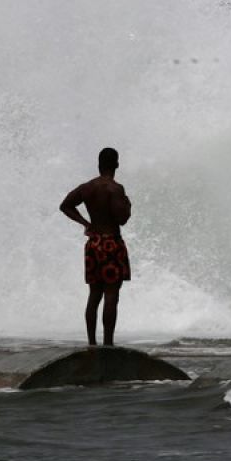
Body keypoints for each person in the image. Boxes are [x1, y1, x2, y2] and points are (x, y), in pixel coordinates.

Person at [59, 147, 132, 346]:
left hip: (94, 243)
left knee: (94, 295)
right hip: (111, 243)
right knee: (111, 295)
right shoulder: (115, 189)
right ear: (116, 164)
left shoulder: (87, 187)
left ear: (99, 165)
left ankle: (91, 342)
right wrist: (127, 204)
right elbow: (122, 218)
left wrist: (86, 223)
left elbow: (65, 205)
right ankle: (108, 343)